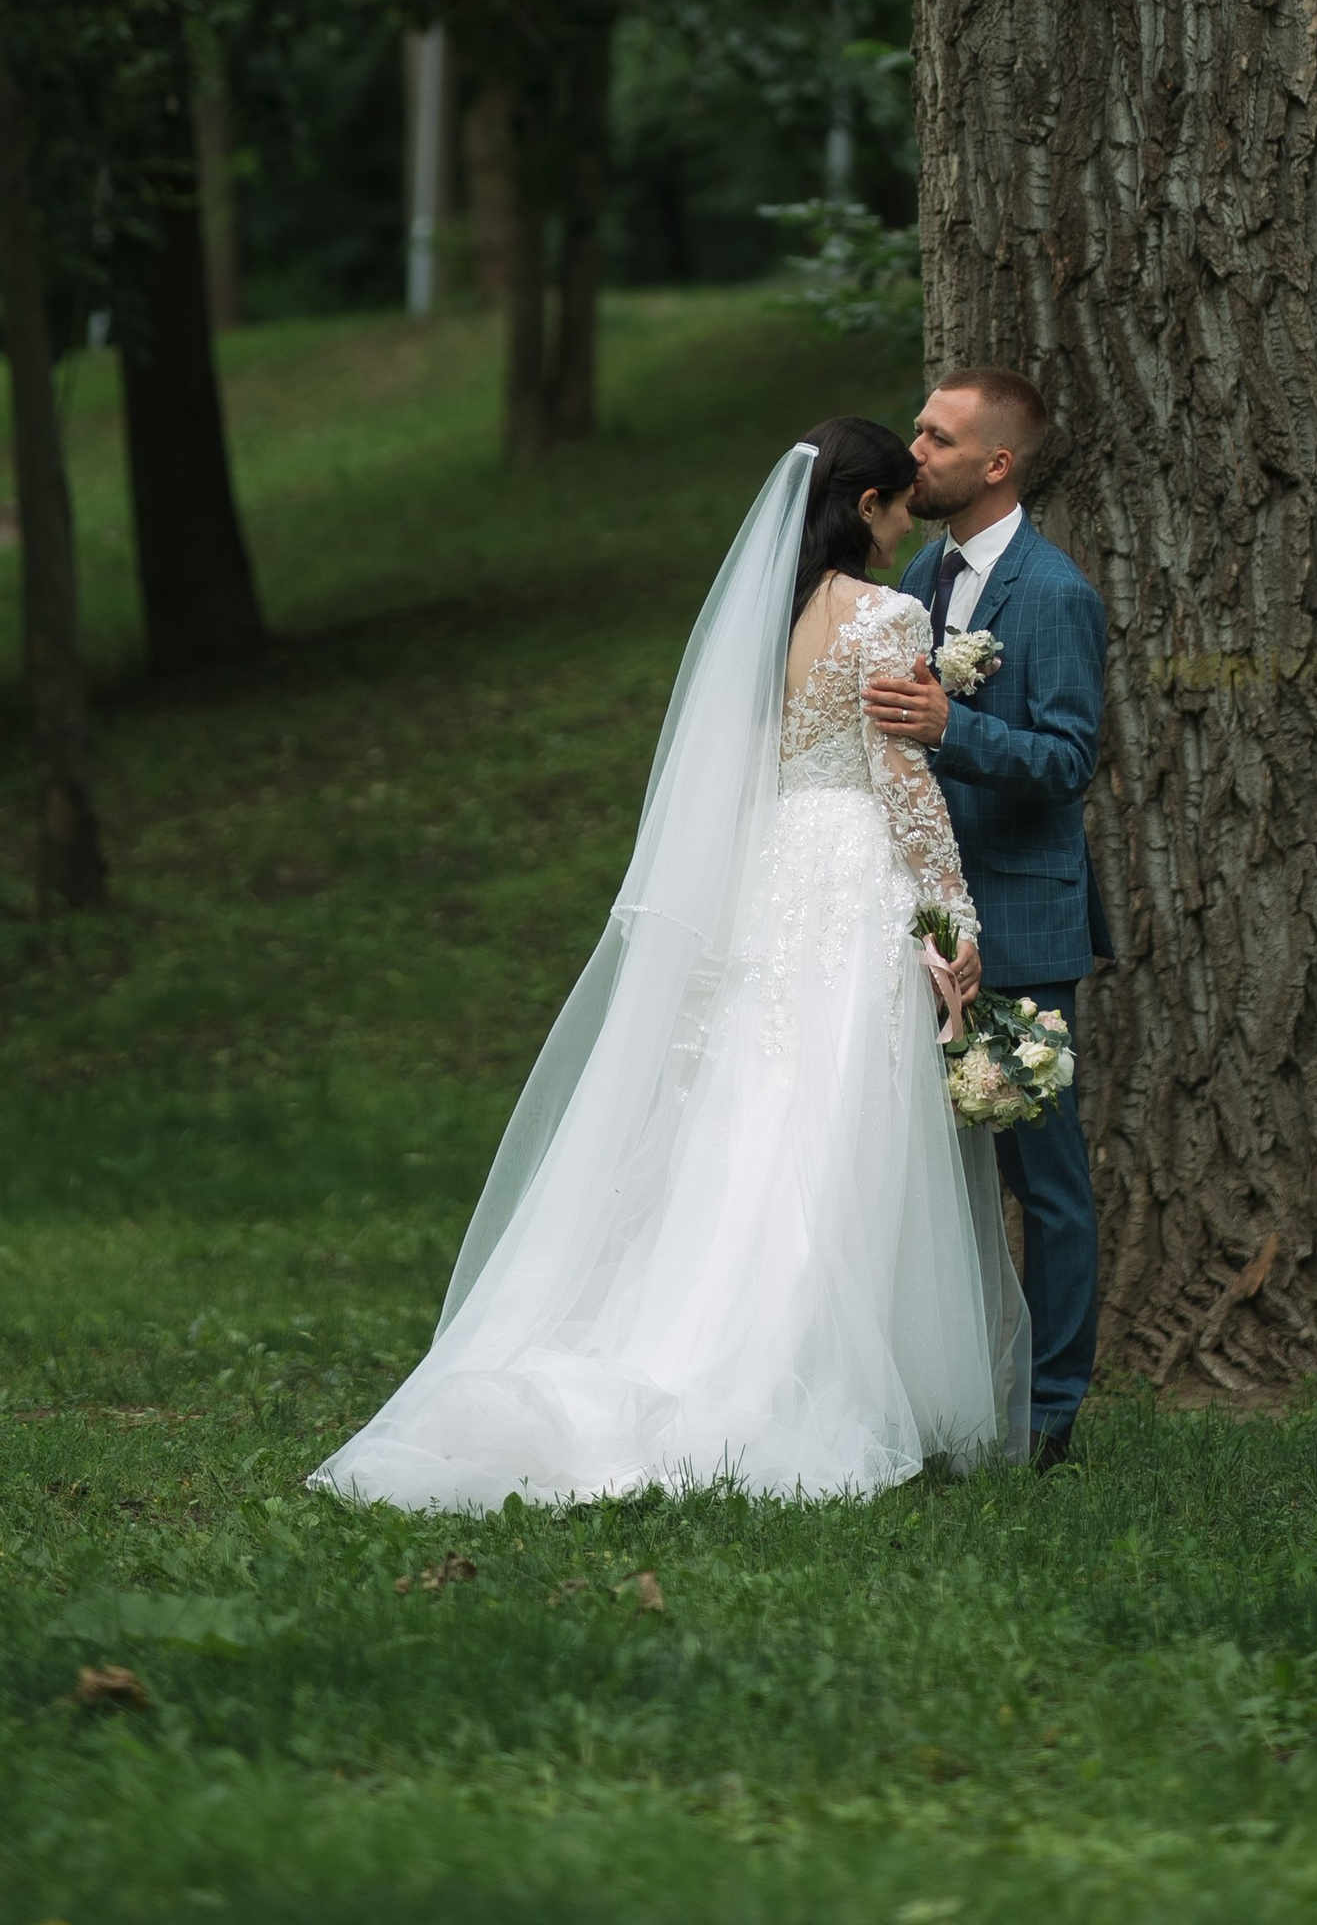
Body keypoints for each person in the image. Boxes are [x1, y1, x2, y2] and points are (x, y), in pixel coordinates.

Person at [309, 421, 1027, 1511]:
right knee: (835, 1118)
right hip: (844, 875)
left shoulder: (758, 621)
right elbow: (903, 779)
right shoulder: (884, 617)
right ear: (872, 503)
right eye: (895, 504)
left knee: (743, 1106)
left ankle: (686, 1330)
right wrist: (951, 919)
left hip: (767, 872)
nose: (901, 529)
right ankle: (793, 1368)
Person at [869, 366, 1109, 1470]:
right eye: (918, 431)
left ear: (995, 464)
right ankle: (953, 1387)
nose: (914, 450)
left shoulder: (1052, 594)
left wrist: (946, 728)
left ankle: (1049, 1410)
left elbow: (1067, 760)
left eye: (937, 437)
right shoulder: (927, 569)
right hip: (928, 915)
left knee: (1041, 1181)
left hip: (1017, 925)